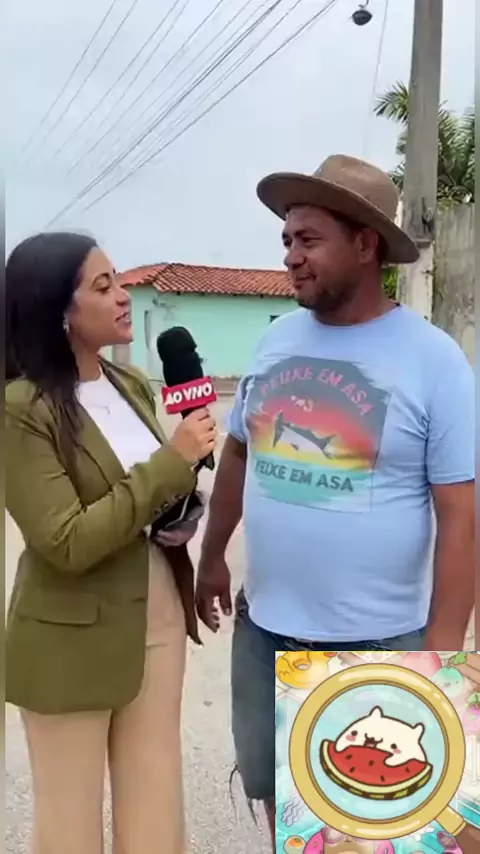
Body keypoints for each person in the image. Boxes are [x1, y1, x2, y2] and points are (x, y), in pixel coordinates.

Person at [195, 155, 475, 846]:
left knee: (371, 831)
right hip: (265, 631)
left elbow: (461, 518)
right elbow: (239, 452)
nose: (291, 256)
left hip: (377, 642)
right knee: (284, 811)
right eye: (287, 240)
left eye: (309, 240)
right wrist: (213, 555)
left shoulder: (433, 359)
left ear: (365, 244)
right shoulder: (274, 341)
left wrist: (439, 660)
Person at [5, 231, 217, 854]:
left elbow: (151, 499)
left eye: (119, 280)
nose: (124, 296)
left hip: (156, 612)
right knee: (69, 826)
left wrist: (183, 505)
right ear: (58, 312)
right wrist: (171, 464)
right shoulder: (22, 408)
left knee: (155, 804)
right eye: (104, 287)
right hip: (68, 633)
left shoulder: (132, 385)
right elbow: (65, 540)